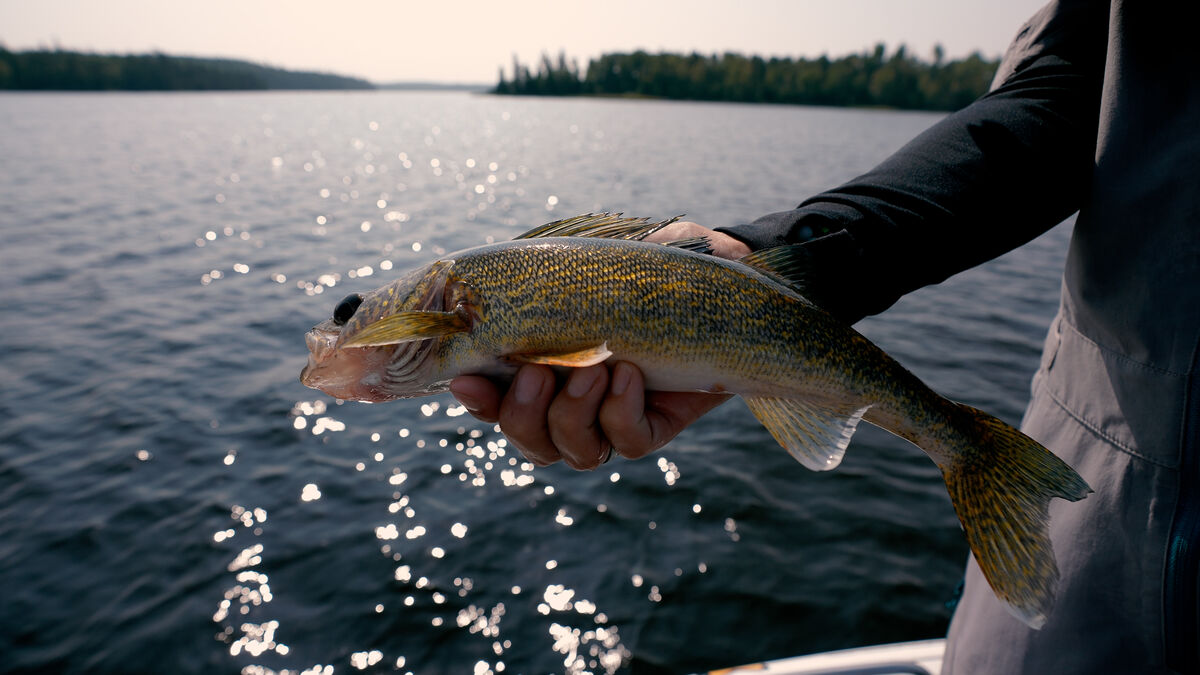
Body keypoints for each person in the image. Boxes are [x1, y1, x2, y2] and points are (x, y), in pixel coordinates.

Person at [450, 0, 1199, 671]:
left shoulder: (455, 288)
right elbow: (1068, 96)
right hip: (1108, 466)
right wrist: (802, 257)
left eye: (356, 312)